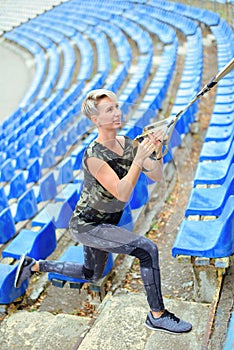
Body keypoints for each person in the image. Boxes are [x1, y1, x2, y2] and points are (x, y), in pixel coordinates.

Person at [15, 89, 192, 334]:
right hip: (88, 225)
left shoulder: (127, 144)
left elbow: (157, 174)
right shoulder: (93, 156)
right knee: (148, 250)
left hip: (106, 223)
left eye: (117, 107)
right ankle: (157, 314)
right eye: (109, 110)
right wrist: (138, 160)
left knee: (91, 273)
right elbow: (122, 193)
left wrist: (157, 149)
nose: (117, 112)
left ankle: (34, 266)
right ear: (95, 119)